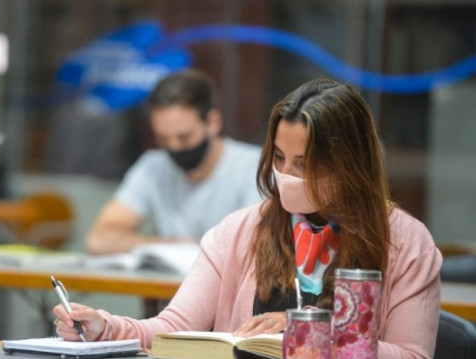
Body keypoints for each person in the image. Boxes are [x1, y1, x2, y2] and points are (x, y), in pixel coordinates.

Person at [54, 78, 442, 358]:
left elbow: (412, 355)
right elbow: (171, 328)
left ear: (349, 164)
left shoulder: (406, 243)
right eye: (278, 158)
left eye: (304, 164)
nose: (285, 174)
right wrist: (104, 328)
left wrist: (308, 330)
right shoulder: (238, 232)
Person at [85, 69, 262, 255]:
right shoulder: (153, 167)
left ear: (213, 122)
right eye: (163, 138)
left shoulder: (253, 168)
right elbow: (99, 240)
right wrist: (172, 246)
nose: (174, 146)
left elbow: (256, 247)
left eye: (184, 137)